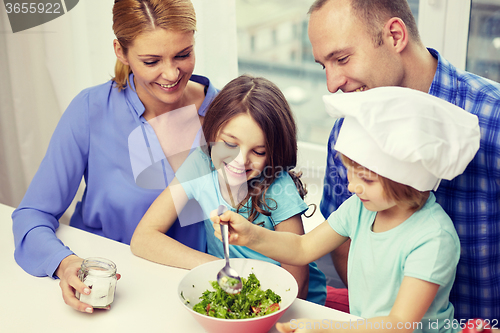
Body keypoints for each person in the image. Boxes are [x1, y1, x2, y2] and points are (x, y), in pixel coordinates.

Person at [212, 87, 481, 333]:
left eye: (366, 179)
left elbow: (401, 323)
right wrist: (249, 235)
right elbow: (303, 248)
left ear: (406, 179)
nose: (352, 186)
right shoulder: (361, 209)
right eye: (350, 173)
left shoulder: (433, 238)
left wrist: (327, 328)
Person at [12, 0, 219, 314]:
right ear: (120, 52)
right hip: (104, 294)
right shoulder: (91, 110)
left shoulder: (229, 116)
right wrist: (65, 264)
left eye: (183, 54)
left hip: (196, 298)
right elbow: (32, 215)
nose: (172, 73)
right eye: (151, 61)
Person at [308, 0, 500, 321]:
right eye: (323, 66)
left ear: (395, 36)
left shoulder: (493, 118)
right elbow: (342, 242)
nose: (332, 84)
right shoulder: (350, 128)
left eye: (341, 59)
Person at [131, 74, 327, 305]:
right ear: (212, 132)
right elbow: (143, 238)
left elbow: (298, 285)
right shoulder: (199, 164)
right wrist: (217, 268)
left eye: (259, 152)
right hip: (234, 290)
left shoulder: (277, 184)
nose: (240, 160)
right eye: (231, 144)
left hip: (289, 302)